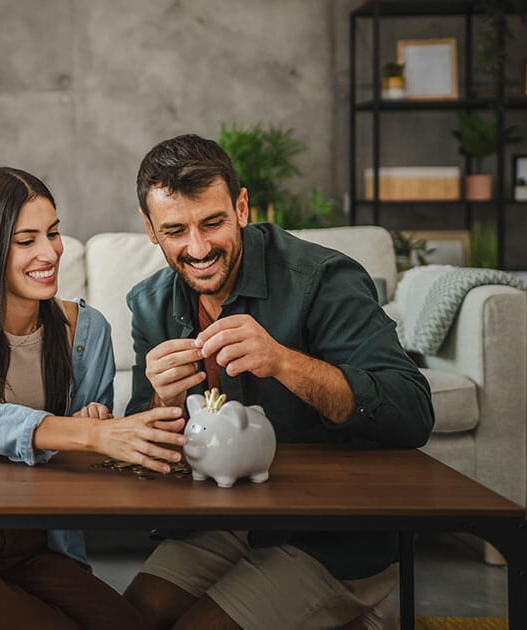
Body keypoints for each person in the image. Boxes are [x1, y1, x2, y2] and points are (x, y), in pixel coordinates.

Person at [120, 135, 435, 630]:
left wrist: (284, 362)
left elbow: (412, 411)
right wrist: (161, 398)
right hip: (221, 523)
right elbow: (144, 442)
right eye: (175, 230)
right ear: (150, 229)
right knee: (126, 618)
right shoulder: (150, 303)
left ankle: (361, 610)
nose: (198, 248)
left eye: (213, 223)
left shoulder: (323, 279)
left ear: (242, 207)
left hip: (332, 533)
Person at [0, 167, 186, 630]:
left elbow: (86, 454)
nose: (50, 252)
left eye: (54, 233)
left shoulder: (88, 332)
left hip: (33, 548)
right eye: (27, 240)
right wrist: (82, 432)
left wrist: (92, 428)